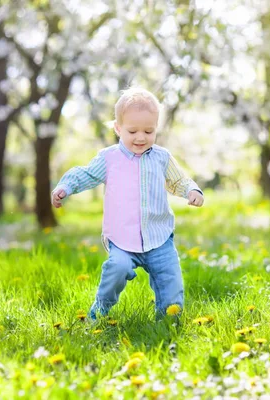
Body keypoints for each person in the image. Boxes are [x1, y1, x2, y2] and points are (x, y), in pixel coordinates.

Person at [51, 87, 204, 320]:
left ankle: (168, 319)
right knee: (118, 268)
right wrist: (66, 186)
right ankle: (101, 310)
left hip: (158, 237)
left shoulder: (162, 157)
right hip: (122, 239)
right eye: (132, 131)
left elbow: (178, 180)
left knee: (170, 280)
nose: (141, 137)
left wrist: (192, 190)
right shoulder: (109, 158)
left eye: (149, 131)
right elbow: (86, 174)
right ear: (118, 128)